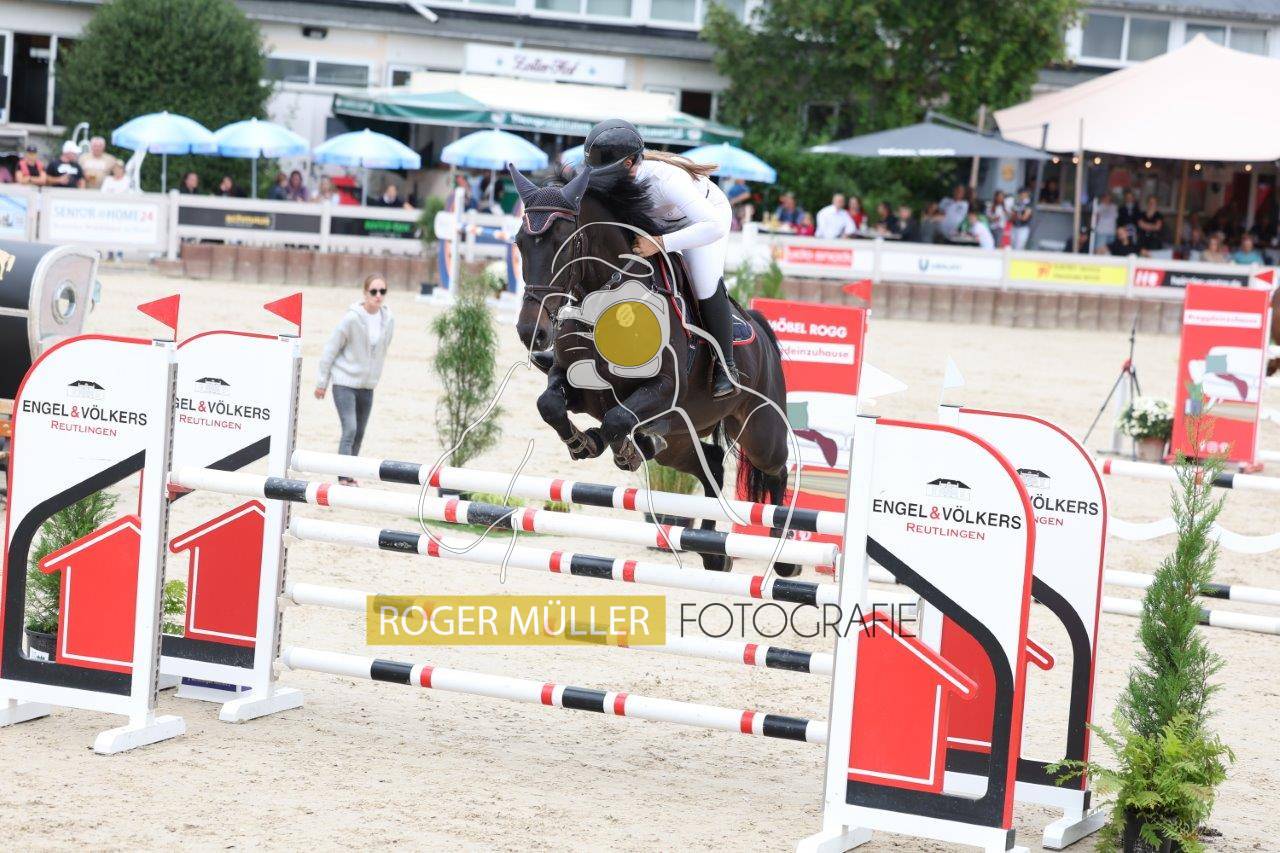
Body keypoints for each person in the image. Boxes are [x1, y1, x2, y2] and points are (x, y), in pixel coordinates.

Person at [582, 118, 740, 397]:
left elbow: (713, 226)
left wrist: (661, 244)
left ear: (629, 164)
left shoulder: (665, 179)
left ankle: (725, 366)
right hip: (657, 224)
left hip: (703, 222)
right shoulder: (613, 175)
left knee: (703, 283)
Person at [315, 274, 396, 483]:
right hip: (344, 382)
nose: (378, 296)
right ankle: (343, 476)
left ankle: (350, 475)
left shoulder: (389, 320)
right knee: (350, 428)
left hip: (367, 386)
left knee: (359, 432)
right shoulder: (352, 319)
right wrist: (322, 383)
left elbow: (382, 350)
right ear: (365, 293)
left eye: (382, 291)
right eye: (374, 291)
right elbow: (331, 349)